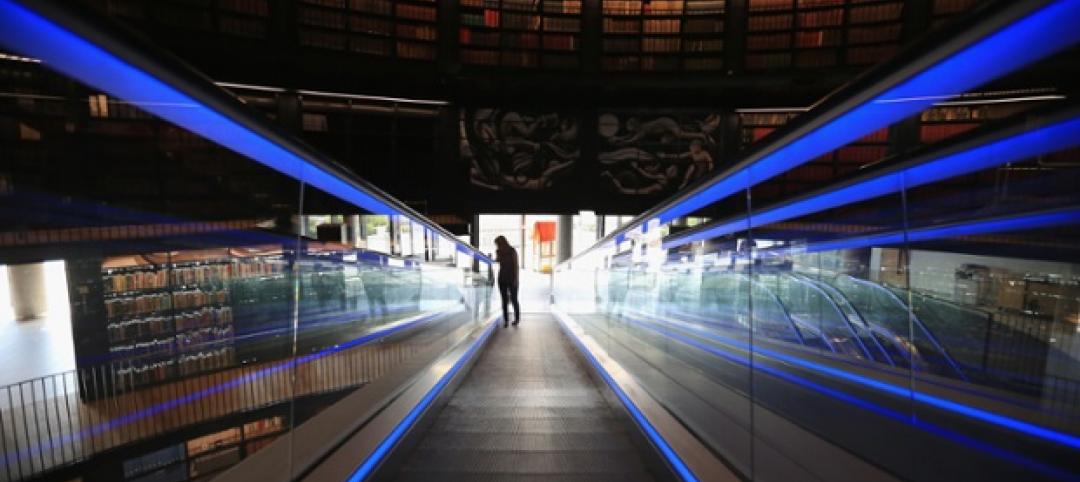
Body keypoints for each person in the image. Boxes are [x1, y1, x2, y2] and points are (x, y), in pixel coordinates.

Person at [493, 236, 520, 327]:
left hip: (512, 278)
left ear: (502, 243)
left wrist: (516, 279)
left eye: (497, 244)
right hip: (502, 278)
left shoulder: (512, 251)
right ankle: (506, 320)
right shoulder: (499, 251)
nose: (497, 246)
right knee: (504, 300)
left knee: (513, 299)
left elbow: (516, 266)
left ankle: (516, 319)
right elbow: (497, 260)